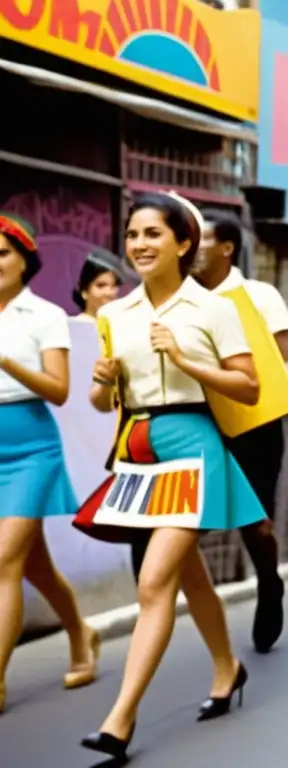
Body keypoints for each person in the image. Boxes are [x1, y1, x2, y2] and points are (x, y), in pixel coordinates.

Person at [74, 192, 266, 761]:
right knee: (190, 578)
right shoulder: (113, 314)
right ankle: (228, 669)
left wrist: (186, 361)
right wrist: (104, 378)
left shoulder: (213, 309)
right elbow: (101, 399)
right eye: (133, 235)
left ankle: (119, 718)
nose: (139, 245)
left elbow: (249, 386)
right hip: (138, 453)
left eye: (153, 234)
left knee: (154, 580)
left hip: (193, 446)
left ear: (184, 242)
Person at [126, 210, 288, 654]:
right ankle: (160, 606)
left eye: (203, 238)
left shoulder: (257, 296)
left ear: (226, 248)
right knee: (166, 524)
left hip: (253, 424)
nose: (195, 244)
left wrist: (276, 409)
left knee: (256, 526)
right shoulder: (170, 298)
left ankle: (269, 581)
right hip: (193, 427)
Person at [0, 213, 100, 714]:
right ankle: (82, 634)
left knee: (2, 563)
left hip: (30, 448)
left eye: (2, 253)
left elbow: (59, 390)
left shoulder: (44, 316)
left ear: (24, 260)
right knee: (29, 563)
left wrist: (8, 363)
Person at [71, 248, 124, 322]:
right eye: (101, 286)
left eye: (114, 286)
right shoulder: (72, 327)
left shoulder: (121, 327)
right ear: (84, 291)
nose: (109, 293)